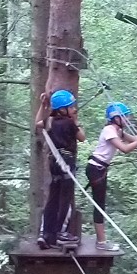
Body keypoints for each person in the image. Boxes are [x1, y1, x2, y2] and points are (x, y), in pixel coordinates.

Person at [84, 102, 137, 251]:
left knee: (101, 204)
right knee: (99, 205)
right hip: (96, 169)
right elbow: (125, 148)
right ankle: (101, 242)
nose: (128, 119)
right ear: (116, 118)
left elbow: (135, 139)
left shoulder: (118, 131)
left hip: (100, 169)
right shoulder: (109, 130)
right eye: (125, 116)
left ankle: (101, 240)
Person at [36, 89, 85, 250]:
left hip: (54, 162)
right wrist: (76, 121)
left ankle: (46, 234)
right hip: (66, 161)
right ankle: (59, 233)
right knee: (65, 198)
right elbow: (82, 137)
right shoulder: (69, 123)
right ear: (62, 109)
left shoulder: (50, 121)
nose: (73, 109)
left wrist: (43, 106)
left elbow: (38, 123)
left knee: (53, 198)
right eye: (71, 107)